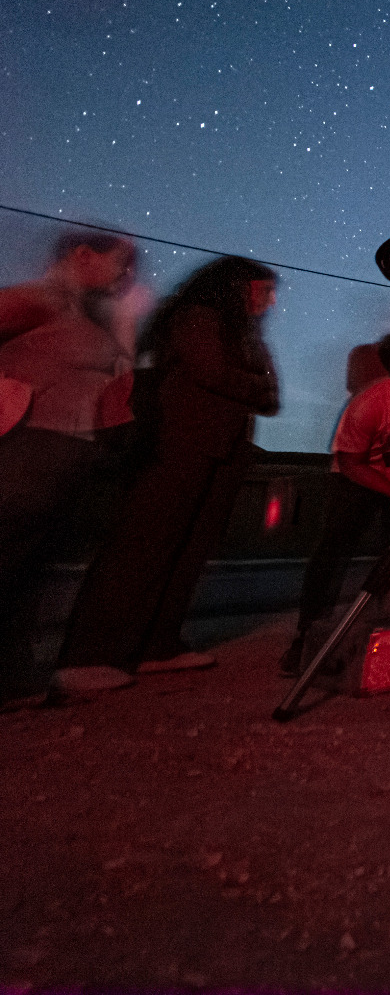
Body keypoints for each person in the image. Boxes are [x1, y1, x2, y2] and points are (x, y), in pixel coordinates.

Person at [54, 256, 278, 695]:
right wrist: (253, 383)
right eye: (263, 289)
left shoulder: (245, 334)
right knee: (144, 546)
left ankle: (157, 647)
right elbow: (212, 372)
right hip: (177, 442)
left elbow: (271, 396)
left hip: (223, 450)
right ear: (236, 286)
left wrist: (252, 383)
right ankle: (89, 655)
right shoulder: (199, 317)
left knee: (188, 552)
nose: (270, 301)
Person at [0, 231, 137, 703]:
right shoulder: (40, 300)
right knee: (7, 557)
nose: (128, 273)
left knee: (30, 566)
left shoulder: (90, 315)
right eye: (121, 261)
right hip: (28, 446)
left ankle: (14, 678)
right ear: (82, 255)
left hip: (70, 453)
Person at [279, 330, 390, 675]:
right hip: (363, 474)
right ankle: (306, 639)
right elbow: (351, 463)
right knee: (335, 546)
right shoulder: (369, 405)